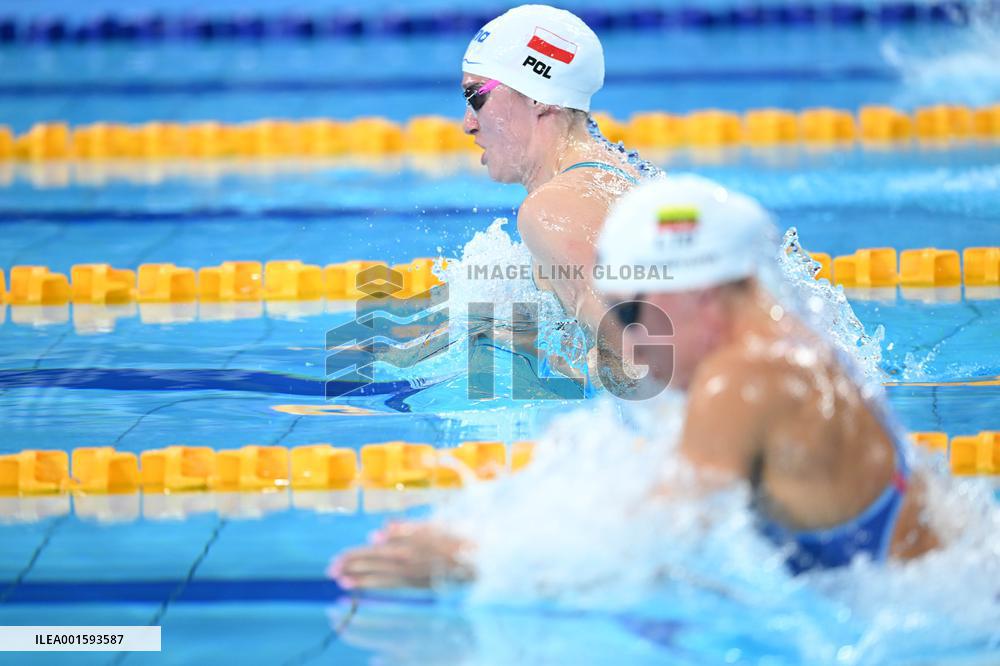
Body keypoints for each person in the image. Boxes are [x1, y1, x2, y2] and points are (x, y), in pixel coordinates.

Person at [329, 177, 939, 588]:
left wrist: (470, 558)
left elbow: (648, 533)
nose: (636, 348)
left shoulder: (745, 380)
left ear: (697, 291)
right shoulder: (790, 350)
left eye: (628, 313)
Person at [459, 4, 646, 381]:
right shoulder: (617, 175)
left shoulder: (550, 210)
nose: (468, 124)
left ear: (538, 97)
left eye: (476, 97)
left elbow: (643, 364)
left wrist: (544, 356)